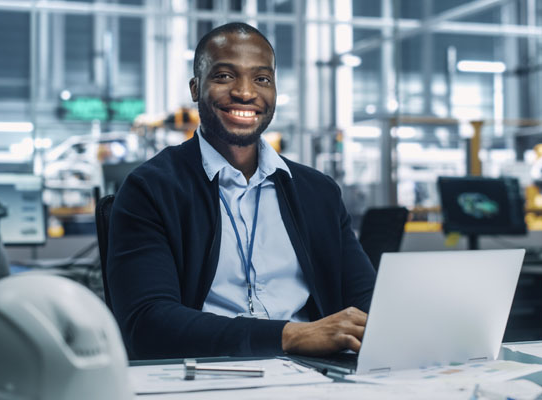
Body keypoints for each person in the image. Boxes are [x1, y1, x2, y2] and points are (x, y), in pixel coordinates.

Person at [107, 22, 376, 360]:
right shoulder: (151, 189)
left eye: (262, 79)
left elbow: (369, 307)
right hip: (207, 375)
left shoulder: (317, 193)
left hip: (314, 377)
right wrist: (290, 335)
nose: (246, 93)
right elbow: (147, 324)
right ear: (195, 88)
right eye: (224, 76)